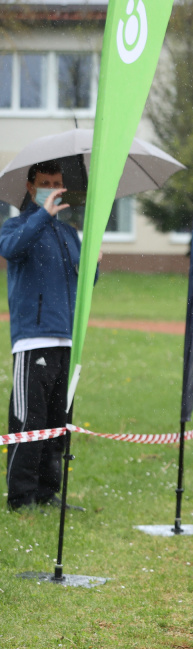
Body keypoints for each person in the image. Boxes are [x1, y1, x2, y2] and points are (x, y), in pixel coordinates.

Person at [1, 160, 86, 512]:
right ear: (31, 187)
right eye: (45, 183)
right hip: (33, 339)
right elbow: (11, 249)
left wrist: (94, 260)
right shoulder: (16, 226)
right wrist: (41, 216)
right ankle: (21, 497)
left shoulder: (68, 234)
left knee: (57, 424)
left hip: (67, 340)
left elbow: (85, 280)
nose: (52, 188)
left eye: (57, 183)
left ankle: (47, 493)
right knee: (29, 422)